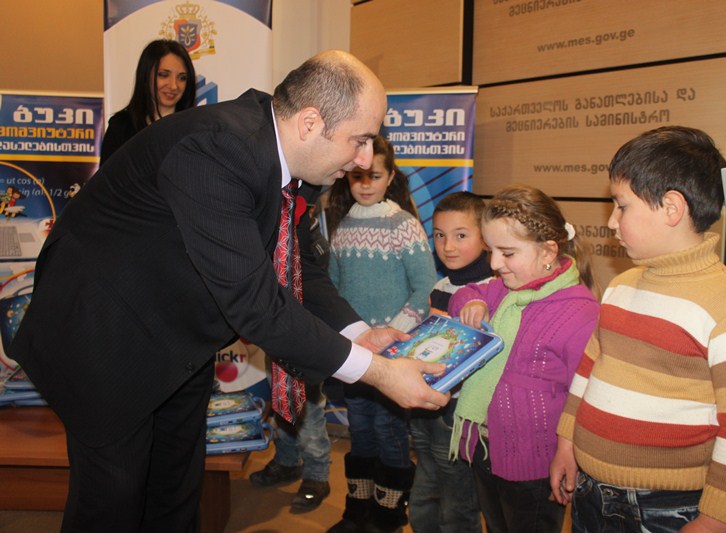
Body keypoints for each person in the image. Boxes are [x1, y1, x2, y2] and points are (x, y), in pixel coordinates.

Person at [10, 50, 448, 533]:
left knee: (175, 488)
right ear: (310, 123)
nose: (364, 159)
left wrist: (359, 333)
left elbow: (297, 263)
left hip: (177, 337)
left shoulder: (294, 163)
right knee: (115, 499)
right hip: (103, 337)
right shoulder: (217, 150)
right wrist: (379, 373)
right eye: (360, 140)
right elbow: (257, 305)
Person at [549, 126, 726, 533]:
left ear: (671, 208)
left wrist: (716, 520)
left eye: (621, 206)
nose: (612, 221)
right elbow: (589, 369)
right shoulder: (622, 286)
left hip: (665, 510)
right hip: (591, 492)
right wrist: (566, 441)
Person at [450, 185, 599, 533]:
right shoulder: (503, 288)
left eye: (507, 253)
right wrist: (473, 302)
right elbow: (466, 293)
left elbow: (586, 397)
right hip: (486, 448)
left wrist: (569, 451)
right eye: (491, 250)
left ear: (548, 251)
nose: (494, 263)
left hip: (536, 467)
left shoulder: (579, 312)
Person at [325, 136, 438, 533]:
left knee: (389, 431)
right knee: (360, 429)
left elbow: (424, 289)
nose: (365, 184)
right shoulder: (342, 227)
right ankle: (358, 510)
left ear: (390, 178)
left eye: (374, 176)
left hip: (393, 354)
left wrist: (393, 334)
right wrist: (346, 337)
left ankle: (388, 515)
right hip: (356, 354)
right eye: (358, 176)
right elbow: (332, 289)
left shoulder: (403, 224)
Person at [408, 191, 492, 533]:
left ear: (485, 238)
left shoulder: (492, 290)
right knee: (424, 491)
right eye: (440, 235)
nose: (448, 246)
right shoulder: (440, 285)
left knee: (458, 501)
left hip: (456, 412)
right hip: (424, 403)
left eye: (460, 235)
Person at [249, 189, 335, 513]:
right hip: (276, 328)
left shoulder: (307, 230)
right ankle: (287, 461)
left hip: (307, 333)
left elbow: (316, 275)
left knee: (308, 407)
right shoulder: (264, 219)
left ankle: (317, 475)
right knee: (281, 401)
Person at [100, 39, 196, 165]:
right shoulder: (121, 127)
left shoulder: (195, 129)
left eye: (182, 78)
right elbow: (108, 176)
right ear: (145, 76)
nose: (174, 86)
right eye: (163, 75)